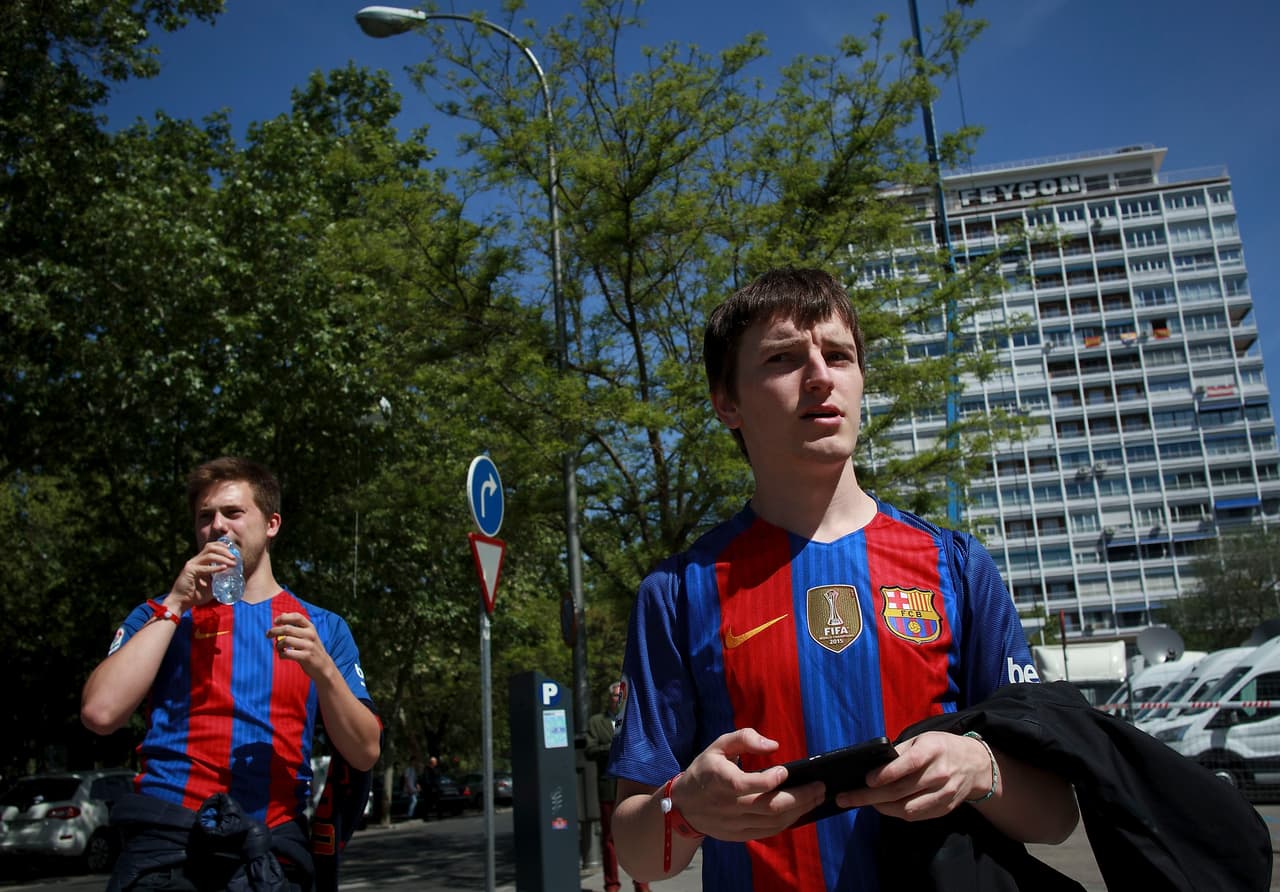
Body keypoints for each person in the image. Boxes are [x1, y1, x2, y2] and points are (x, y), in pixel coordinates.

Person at [608, 269, 1079, 890]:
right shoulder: (676, 592)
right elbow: (640, 857)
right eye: (782, 358)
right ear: (727, 402)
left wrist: (979, 768)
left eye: (838, 355)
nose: (820, 376)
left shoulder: (959, 566)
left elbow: (1056, 815)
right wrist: (686, 809)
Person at [81, 456, 382, 891]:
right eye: (206, 517)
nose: (218, 526)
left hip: (271, 854)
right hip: (168, 850)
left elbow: (365, 752)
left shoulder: (323, 628)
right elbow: (100, 713)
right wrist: (176, 604)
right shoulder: (159, 615)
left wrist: (323, 670)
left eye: (233, 513)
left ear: (271, 524)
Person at [586, 682, 650, 892]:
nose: (618, 698)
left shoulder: (634, 719)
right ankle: (612, 884)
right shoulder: (596, 722)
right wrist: (614, 746)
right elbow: (590, 749)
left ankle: (641, 883)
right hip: (607, 787)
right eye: (615, 695)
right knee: (610, 838)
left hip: (633, 784)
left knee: (637, 835)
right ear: (609, 698)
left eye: (621, 695)